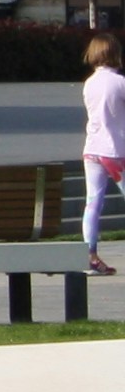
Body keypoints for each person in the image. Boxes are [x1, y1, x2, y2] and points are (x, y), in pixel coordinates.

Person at [84, 33, 123, 280]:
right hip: (116, 151)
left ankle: (90, 255)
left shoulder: (90, 83)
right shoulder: (119, 83)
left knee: (93, 202)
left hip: (92, 149)